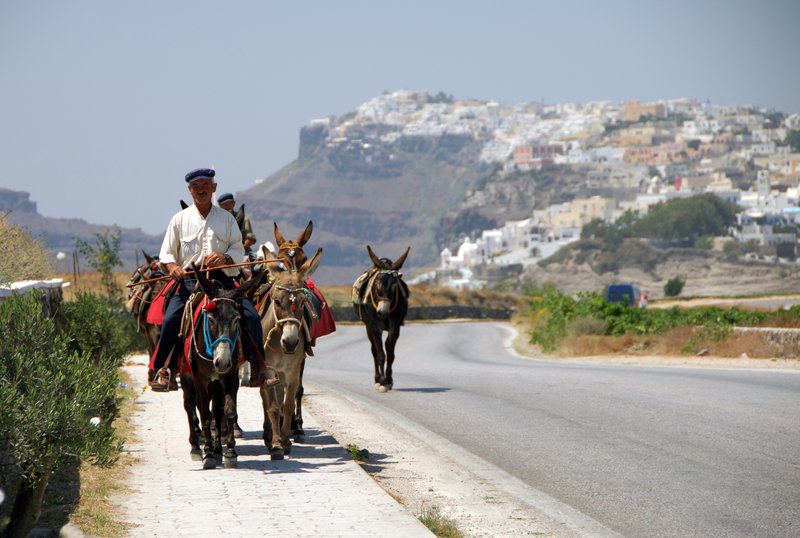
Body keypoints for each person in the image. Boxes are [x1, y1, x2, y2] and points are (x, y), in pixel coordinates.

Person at [149, 168, 265, 391]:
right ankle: (163, 370)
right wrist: (173, 267)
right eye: (196, 187)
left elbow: (239, 250)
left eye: (205, 186)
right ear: (189, 190)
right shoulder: (178, 220)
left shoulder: (228, 220)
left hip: (223, 282)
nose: (201, 190)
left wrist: (224, 257)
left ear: (214, 188)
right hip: (190, 280)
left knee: (251, 316)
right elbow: (166, 254)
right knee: (172, 319)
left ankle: (259, 366)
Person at [217, 192, 257, 256]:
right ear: (220, 206)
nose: (227, 206)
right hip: (221, 254)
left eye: (230, 203)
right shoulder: (216, 221)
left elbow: (250, 239)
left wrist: (238, 252)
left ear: (234, 203)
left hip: (243, 253)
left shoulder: (244, 219)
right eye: (224, 204)